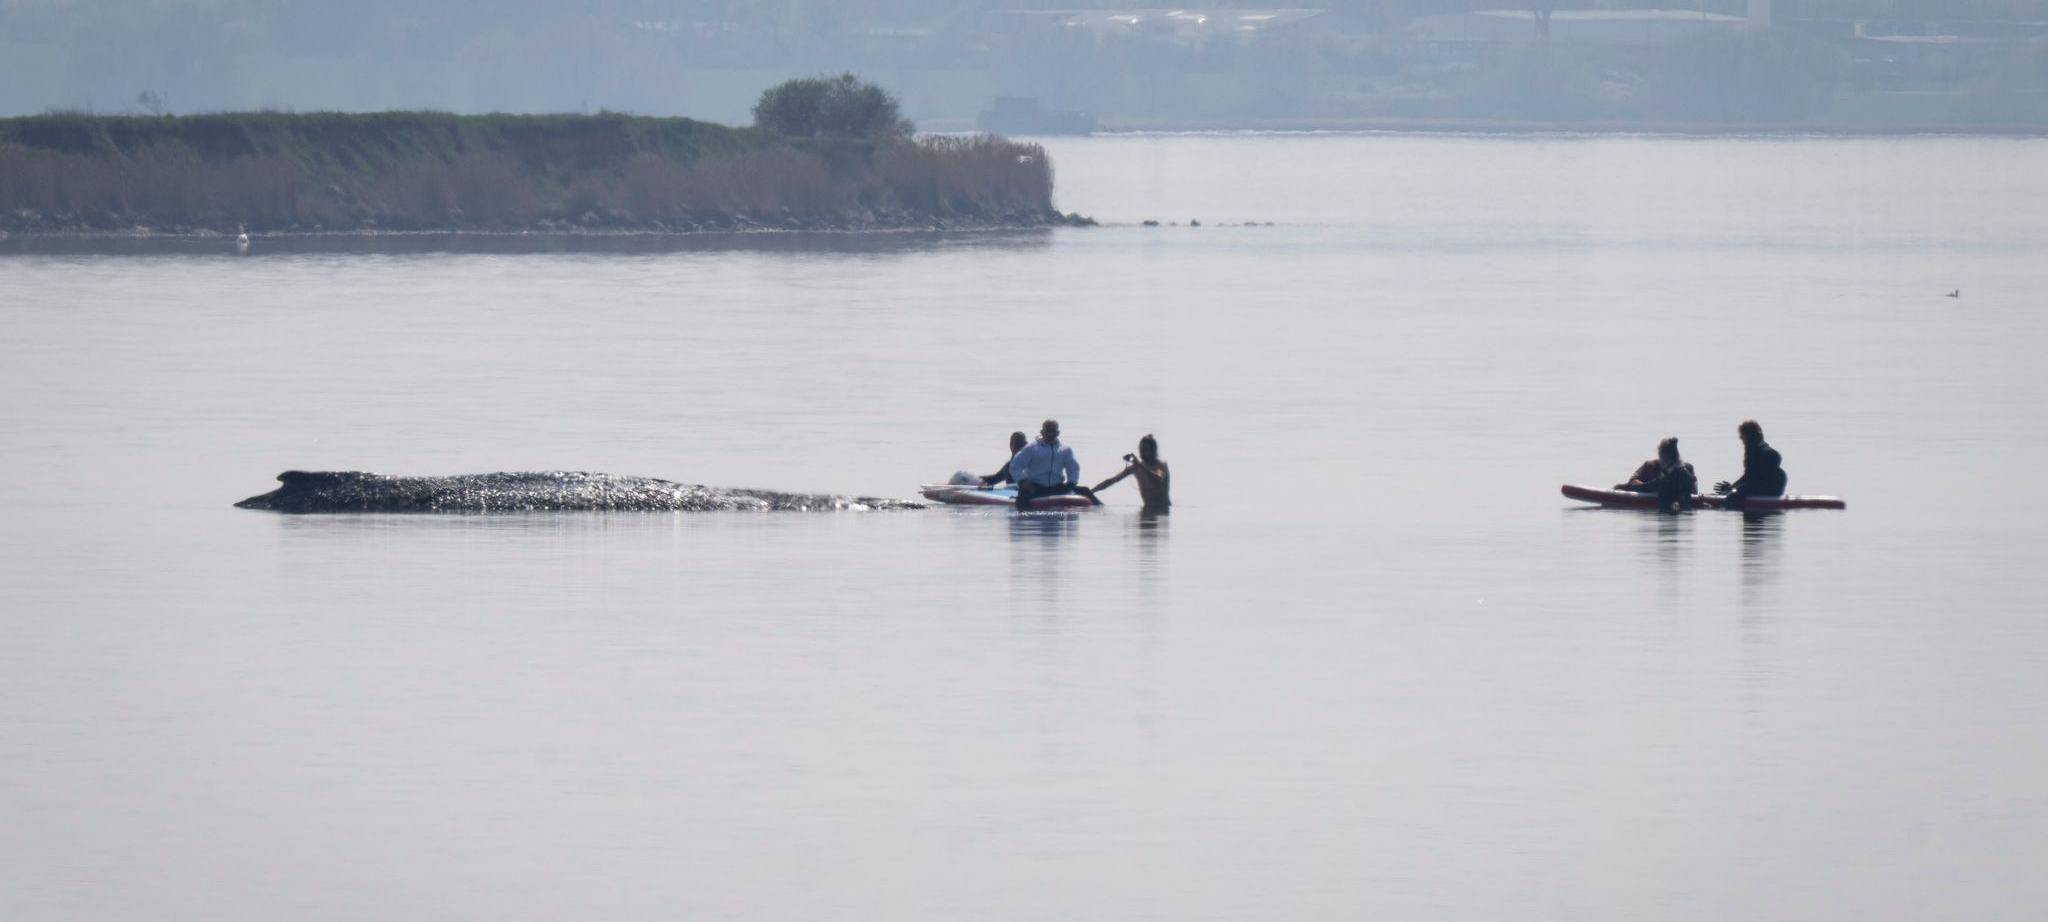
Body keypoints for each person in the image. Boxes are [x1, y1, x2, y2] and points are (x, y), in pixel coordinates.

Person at [1008, 419, 1093, 509]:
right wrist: (1022, 481)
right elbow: (1015, 466)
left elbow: (1073, 468)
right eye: (1047, 431)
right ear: (1042, 432)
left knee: (1085, 490)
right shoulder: (1031, 448)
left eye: (1053, 431)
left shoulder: (1065, 450)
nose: (1050, 434)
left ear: (1058, 433)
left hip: (1057, 487)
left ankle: (1103, 513)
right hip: (1034, 487)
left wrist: (1071, 483)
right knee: (1021, 502)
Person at [1714, 419, 1787, 507]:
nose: (1740, 438)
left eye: (1742, 436)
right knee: (1738, 490)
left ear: (1749, 435)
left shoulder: (1757, 450)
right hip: (1772, 487)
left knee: (1735, 495)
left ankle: (1720, 508)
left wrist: (1731, 489)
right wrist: (1731, 488)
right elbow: (1749, 477)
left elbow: (1749, 477)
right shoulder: (1761, 447)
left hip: (1770, 488)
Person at [1614, 436, 1698, 512]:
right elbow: (1693, 490)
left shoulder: (1665, 479)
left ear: (1662, 456)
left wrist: (1625, 487)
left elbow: (1646, 487)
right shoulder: (1687, 474)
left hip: (1668, 514)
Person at [1092, 434, 1171, 513]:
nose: (1142, 452)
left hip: (1162, 511)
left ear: (1153, 451)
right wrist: (1092, 491)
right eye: (1141, 449)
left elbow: (1158, 479)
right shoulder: (1135, 467)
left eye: (1145, 450)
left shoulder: (1161, 465)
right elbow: (1112, 480)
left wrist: (1139, 465)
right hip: (1146, 509)